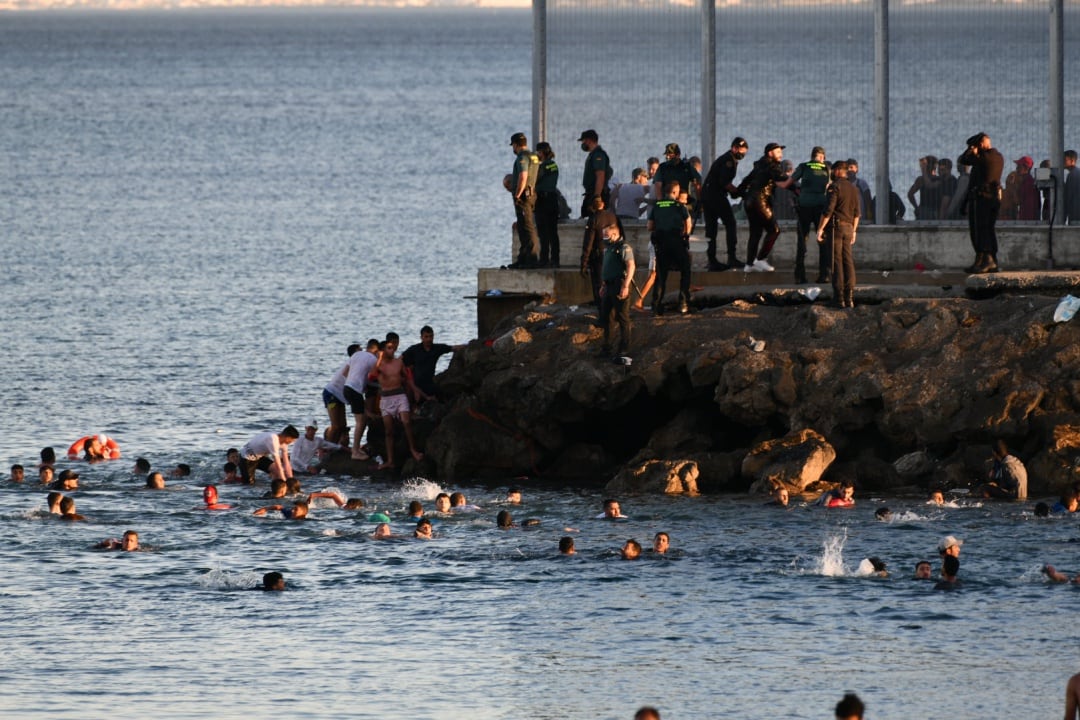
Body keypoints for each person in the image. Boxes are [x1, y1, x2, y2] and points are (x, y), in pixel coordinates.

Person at [742, 142, 794, 272]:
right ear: (770, 153)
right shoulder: (772, 166)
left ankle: (749, 264)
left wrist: (737, 193)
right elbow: (781, 177)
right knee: (774, 230)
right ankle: (760, 259)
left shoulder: (759, 165)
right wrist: (798, 185)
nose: (781, 154)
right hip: (760, 202)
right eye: (778, 152)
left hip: (749, 201)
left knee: (755, 232)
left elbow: (746, 180)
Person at [375, 332, 424, 470]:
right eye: (389, 348)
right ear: (383, 350)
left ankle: (413, 450)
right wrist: (379, 358)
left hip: (399, 396)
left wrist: (415, 390)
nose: (392, 350)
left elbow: (407, 379)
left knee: (406, 422)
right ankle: (390, 460)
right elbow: (372, 374)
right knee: (389, 431)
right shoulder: (379, 365)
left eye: (393, 348)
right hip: (386, 399)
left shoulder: (399, 362)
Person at [817, 160, 861, 309]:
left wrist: (820, 229)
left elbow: (828, 210)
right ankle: (850, 298)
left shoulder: (834, 187)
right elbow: (857, 214)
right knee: (848, 261)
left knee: (836, 262)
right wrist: (854, 231)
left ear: (836, 171)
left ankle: (839, 298)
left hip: (836, 228)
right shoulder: (853, 189)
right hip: (849, 228)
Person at [701, 136, 749, 270]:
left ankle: (712, 260)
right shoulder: (729, 161)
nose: (742, 154)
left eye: (744, 152)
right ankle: (731, 257)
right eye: (741, 151)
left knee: (711, 228)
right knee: (730, 223)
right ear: (734, 148)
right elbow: (724, 182)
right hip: (715, 196)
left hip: (708, 195)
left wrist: (734, 192)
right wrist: (739, 192)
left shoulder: (727, 158)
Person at [959, 132, 1004, 273]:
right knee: (988, 229)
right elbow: (972, 182)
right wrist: (965, 202)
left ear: (981, 145)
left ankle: (987, 260)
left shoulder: (985, 158)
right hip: (991, 198)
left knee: (980, 230)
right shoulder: (996, 157)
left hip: (983, 198)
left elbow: (963, 159)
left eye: (975, 145)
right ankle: (985, 260)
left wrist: (972, 149)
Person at [647, 181, 693, 315]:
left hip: (661, 244)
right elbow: (688, 224)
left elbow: (650, 226)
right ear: (674, 192)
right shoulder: (679, 206)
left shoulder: (657, 205)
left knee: (661, 275)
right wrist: (685, 234)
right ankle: (683, 303)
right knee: (685, 270)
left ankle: (656, 306)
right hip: (676, 242)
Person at [791, 146, 831, 284]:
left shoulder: (804, 166)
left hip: (804, 206)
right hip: (821, 206)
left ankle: (799, 276)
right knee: (822, 241)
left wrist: (801, 190)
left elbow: (792, 180)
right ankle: (824, 275)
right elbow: (829, 186)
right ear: (822, 157)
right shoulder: (826, 169)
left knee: (802, 241)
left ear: (812, 156)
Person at [598, 222, 635, 358]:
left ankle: (624, 349)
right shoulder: (608, 248)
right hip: (608, 285)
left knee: (622, 317)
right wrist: (603, 285)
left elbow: (631, 266)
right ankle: (606, 348)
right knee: (607, 318)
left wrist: (625, 286)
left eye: (606, 235)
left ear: (614, 234)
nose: (604, 238)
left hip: (619, 284)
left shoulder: (623, 247)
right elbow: (606, 268)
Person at [402, 325, 463, 404]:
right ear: (421, 337)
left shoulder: (437, 348)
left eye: (431, 336)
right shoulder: (414, 349)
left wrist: (471, 345)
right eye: (426, 337)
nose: (429, 339)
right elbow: (400, 360)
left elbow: (453, 348)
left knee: (445, 397)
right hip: (416, 384)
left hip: (429, 383)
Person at [580, 196, 623, 308]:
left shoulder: (594, 219)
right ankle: (612, 310)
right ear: (603, 204)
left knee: (599, 285)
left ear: (592, 207)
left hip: (599, 256)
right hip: (613, 254)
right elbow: (622, 236)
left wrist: (583, 263)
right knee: (613, 283)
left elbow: (588, 243)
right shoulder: (613, 216)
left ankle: (602, 312)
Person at [342, 339, 380, 460]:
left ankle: (356, 448)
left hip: (347, 387)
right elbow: (376, 375)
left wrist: (357, 379)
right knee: (361, 422)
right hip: (355, 390)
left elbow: (344, 372)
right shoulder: (373, 359)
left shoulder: (356, 354)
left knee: (362, 419)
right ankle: (355, 452)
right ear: (376, 350)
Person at [507, 131, 540, 269]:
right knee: (523, 226)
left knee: (527, 227)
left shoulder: (523, 157)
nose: (513, 149)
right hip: (531, 194)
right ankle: (523, 258)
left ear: (516, 145)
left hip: (524, 197)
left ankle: (531, 259)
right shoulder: (534, 156)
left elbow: (523, 176)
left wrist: (518, 194)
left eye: (513, 146)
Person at [652, 143, 702, 220]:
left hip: (683, 200)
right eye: (666, 154)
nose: (667, 157)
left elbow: (697, 183)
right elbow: (658, 185)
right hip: (668, 201)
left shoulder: (687, 167)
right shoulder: (662, 167)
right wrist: (660, 204)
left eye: (670, 154)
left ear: (678, 155)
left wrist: (699, 200)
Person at [323, 344, 357, 447]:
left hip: (340, 397)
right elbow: (345, 374)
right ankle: (328, 448)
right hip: (332, 394)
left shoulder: (357, 364)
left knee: (343, 426)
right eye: (359, 351)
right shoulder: (351, 364)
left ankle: (337, 447)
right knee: (336, 426)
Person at [534, 141, 561, 267]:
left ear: (542, 152)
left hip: (542, 201)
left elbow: (535, 179)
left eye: (538, 152)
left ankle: (544, 259)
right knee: (553, 232)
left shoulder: (543, 166)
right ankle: (555, 260)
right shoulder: (554, 165)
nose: (537, 155)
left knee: (543, 232)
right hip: (553, 200)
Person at [578, 129, 611, 218]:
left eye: (584, 141)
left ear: (589, 140)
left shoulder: (598, 155)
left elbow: (600, 176)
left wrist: (597, 197)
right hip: (591, 193)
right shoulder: (593, 155)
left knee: (596, 221)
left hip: (596, 194)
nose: (583, 144)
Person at [907, 155, 941, 221]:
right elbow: (910, 194)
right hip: (933, 210)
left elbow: (910, 194)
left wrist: (916, 207)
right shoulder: (939, 179)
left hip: (926, 210)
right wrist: (916, 207)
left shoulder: (922, 179)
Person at [1064, 150, 1080, 225]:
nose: (1062, 162)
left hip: (1075, 214)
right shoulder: (1076, 172)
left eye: (1064, 160)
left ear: (1072, 160)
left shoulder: (1072, 175)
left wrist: (1064, 216)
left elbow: (1068, 197)